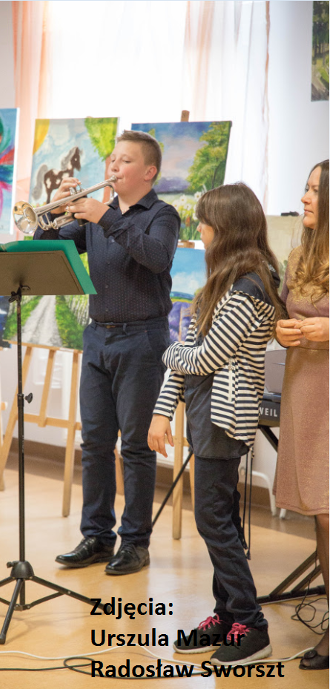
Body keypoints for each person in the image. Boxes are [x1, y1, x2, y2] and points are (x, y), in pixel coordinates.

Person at [33, 130, 180, 575]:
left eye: (125, 161)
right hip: (97, 337)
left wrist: (105, 217)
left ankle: (135, 543)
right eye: (112, 159)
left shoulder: (162, 215)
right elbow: (44, 252)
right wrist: (52, 213)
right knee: (95, 444)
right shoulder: (97, 215)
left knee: (135, 447)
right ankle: (97, 536)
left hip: (143, 339)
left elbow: (156, 257)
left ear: (149, 172)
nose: (113, 167)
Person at [148, 182, 283, 665]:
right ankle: (227, 616)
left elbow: (202, 357)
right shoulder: (221, 282)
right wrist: (162, 410)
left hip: (225, 420)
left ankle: (252, 625)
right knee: (220, 518)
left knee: (212, 520)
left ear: (226, 229)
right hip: (205, 416)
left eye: (205, 223)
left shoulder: (251, 287)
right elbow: (189, 356)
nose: (199, 230)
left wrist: (164, 350)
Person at [273, 160, 329, 671]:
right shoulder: (297, 256)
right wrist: (282, 330)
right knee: (320, 508)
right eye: (305, 188)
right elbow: (282, 313)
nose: (305, 197)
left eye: (315, 190)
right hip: (304, 390)